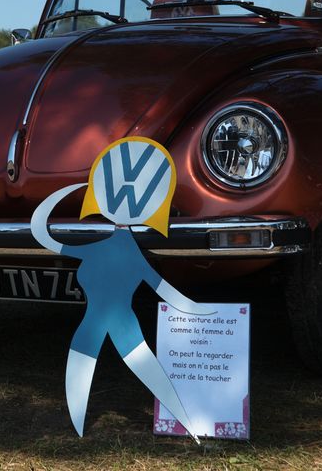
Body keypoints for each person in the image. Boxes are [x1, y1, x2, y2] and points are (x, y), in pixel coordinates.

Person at [30, 137, 214, 440]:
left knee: (150, 373)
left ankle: (191, 428)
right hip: (91, 328)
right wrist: (64, 194)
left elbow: (165, 290)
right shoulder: (103, 248)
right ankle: (80, 428)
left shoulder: (127, 252)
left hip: (120, 325)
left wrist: (202, 312)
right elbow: (43, 235)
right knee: (116, 374)